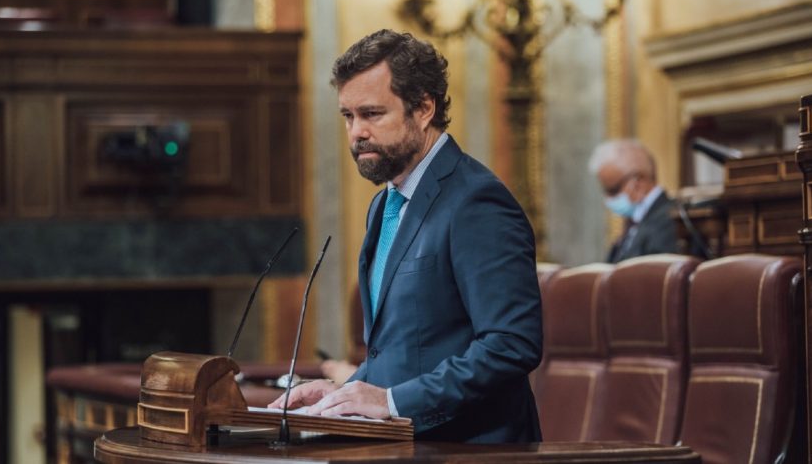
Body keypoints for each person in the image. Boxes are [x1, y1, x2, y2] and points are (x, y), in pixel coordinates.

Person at [269, 29, 543, 443]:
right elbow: (405, 351)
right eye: (348, 116)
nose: (356, 132)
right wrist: (345, 392)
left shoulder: (476, 201)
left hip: (471, 449)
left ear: (423, 109)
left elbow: (511, 344)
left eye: (372, 114)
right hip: (404, 445)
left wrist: (392, 403)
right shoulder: (386, 204)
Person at [588, 139, 678, 263]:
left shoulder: (671, 220)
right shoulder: (632, 224)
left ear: (638, 184)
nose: (608, 199)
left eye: (613, 190)